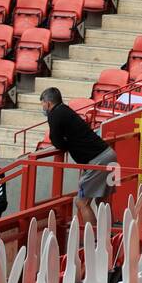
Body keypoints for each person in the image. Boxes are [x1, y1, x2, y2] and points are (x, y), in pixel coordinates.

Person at [41, 87, 117, 222]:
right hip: (110, 155)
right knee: (103, 201)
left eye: (42, 104)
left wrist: (65, 144)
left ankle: (94, 240)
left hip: (97, 160)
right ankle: (108, 236)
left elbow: (57, 141)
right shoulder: (66, 109)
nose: (42, 107)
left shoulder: (54, 115)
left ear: (48, 103)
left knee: (81, 202)